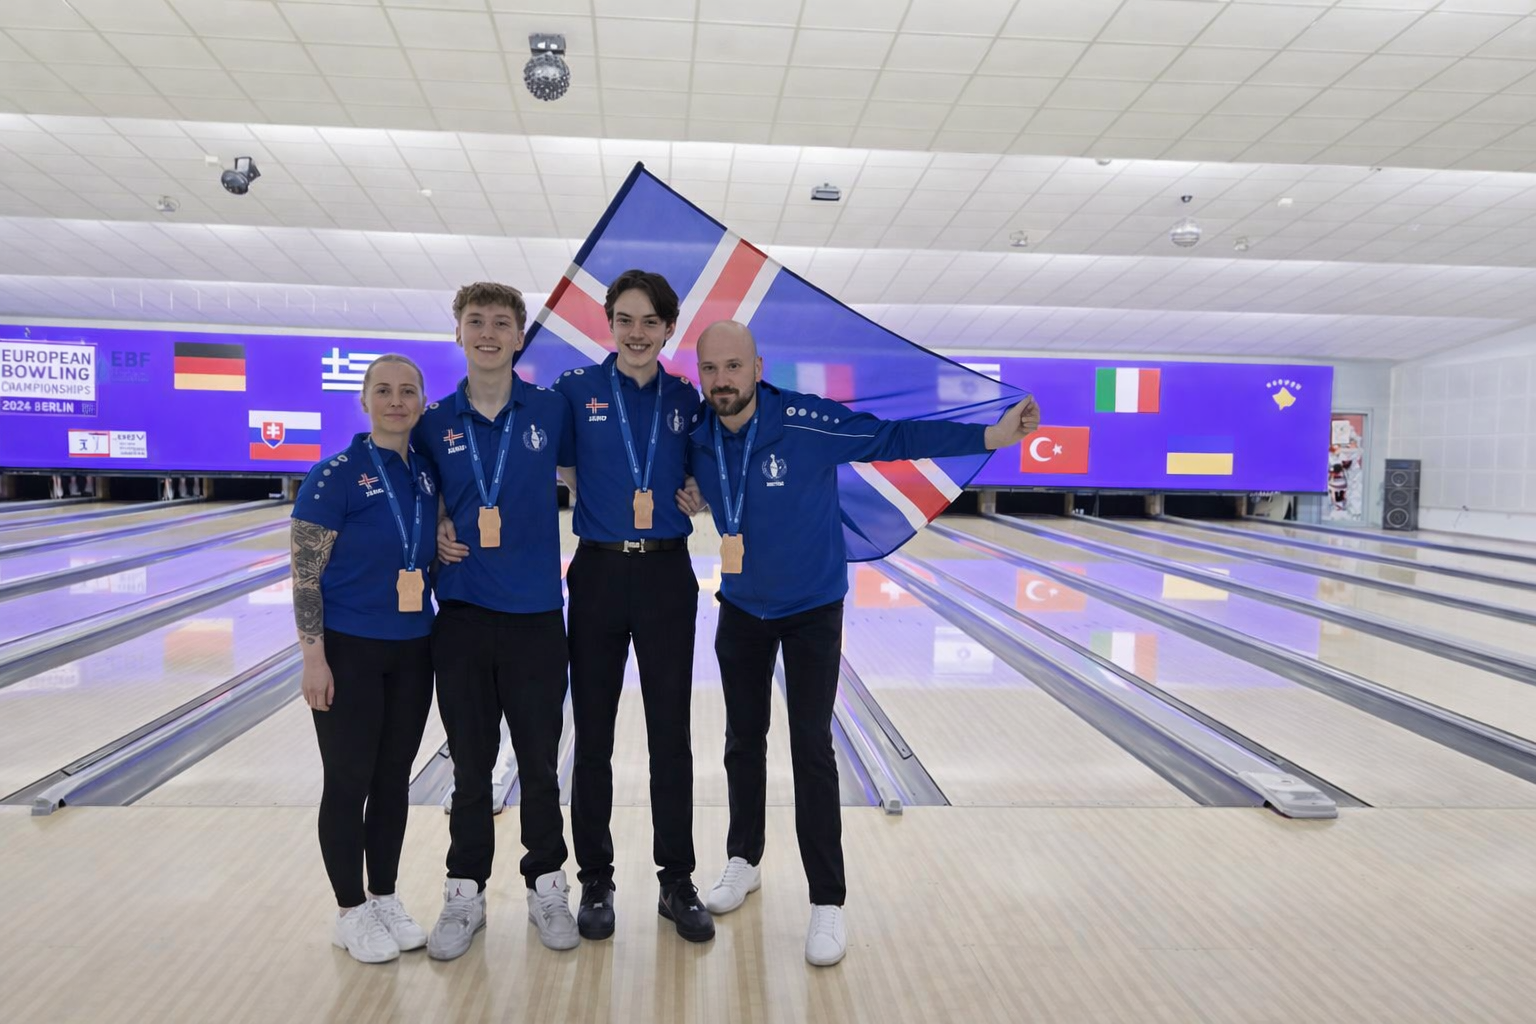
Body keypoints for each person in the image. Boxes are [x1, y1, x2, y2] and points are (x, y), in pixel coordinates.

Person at [682, 320, 1041, 967]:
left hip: (812, 610)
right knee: (742, 741)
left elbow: (893, 437)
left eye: (733, 366)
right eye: (710, 369)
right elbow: (673, 480)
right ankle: (743, 858)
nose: (722, 380)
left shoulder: (807, 422)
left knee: (812, 749)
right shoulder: (698, 434)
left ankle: (827, 899)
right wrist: (691, 497)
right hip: (740, 607)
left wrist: (989, 437)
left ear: (757, 368)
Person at [412, 282, 578, 959]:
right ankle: (464, 892)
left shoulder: (552, 409)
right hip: (463, 617)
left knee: (539, 766)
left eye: (501, 323)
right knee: (471, 768)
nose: (487, 332)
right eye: (475, 321)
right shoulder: (432, 423)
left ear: (518, 337)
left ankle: (547, 885)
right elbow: (413, 498)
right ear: (458, 332)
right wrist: (434, 527)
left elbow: (593, 470)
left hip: (536, 617)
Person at [551, 270, 712, 943]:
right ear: (609, 323)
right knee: (592, 734)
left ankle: (677, 881)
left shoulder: (687, 399)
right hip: (598, 571)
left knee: (670, 735)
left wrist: (699, 490)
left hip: (667, 574)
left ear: (669, 328)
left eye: (650, 322)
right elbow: (559, 466)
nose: (636, 333)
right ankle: (596, 880)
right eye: (624, 319)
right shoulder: (575, 391)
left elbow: (706, 470)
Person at [290, 353, 439, 964]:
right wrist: (314, 659)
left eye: (407, 391)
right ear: (365, 400)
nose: (396, 401)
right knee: (349, 780)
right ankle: (350, 911)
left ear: (422, 402)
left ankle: (384, 896)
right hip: (348, 650)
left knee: (393, 780)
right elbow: (305, 575)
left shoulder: (426, 474)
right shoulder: (334, 476)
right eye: (383, 390)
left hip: (414, 649)